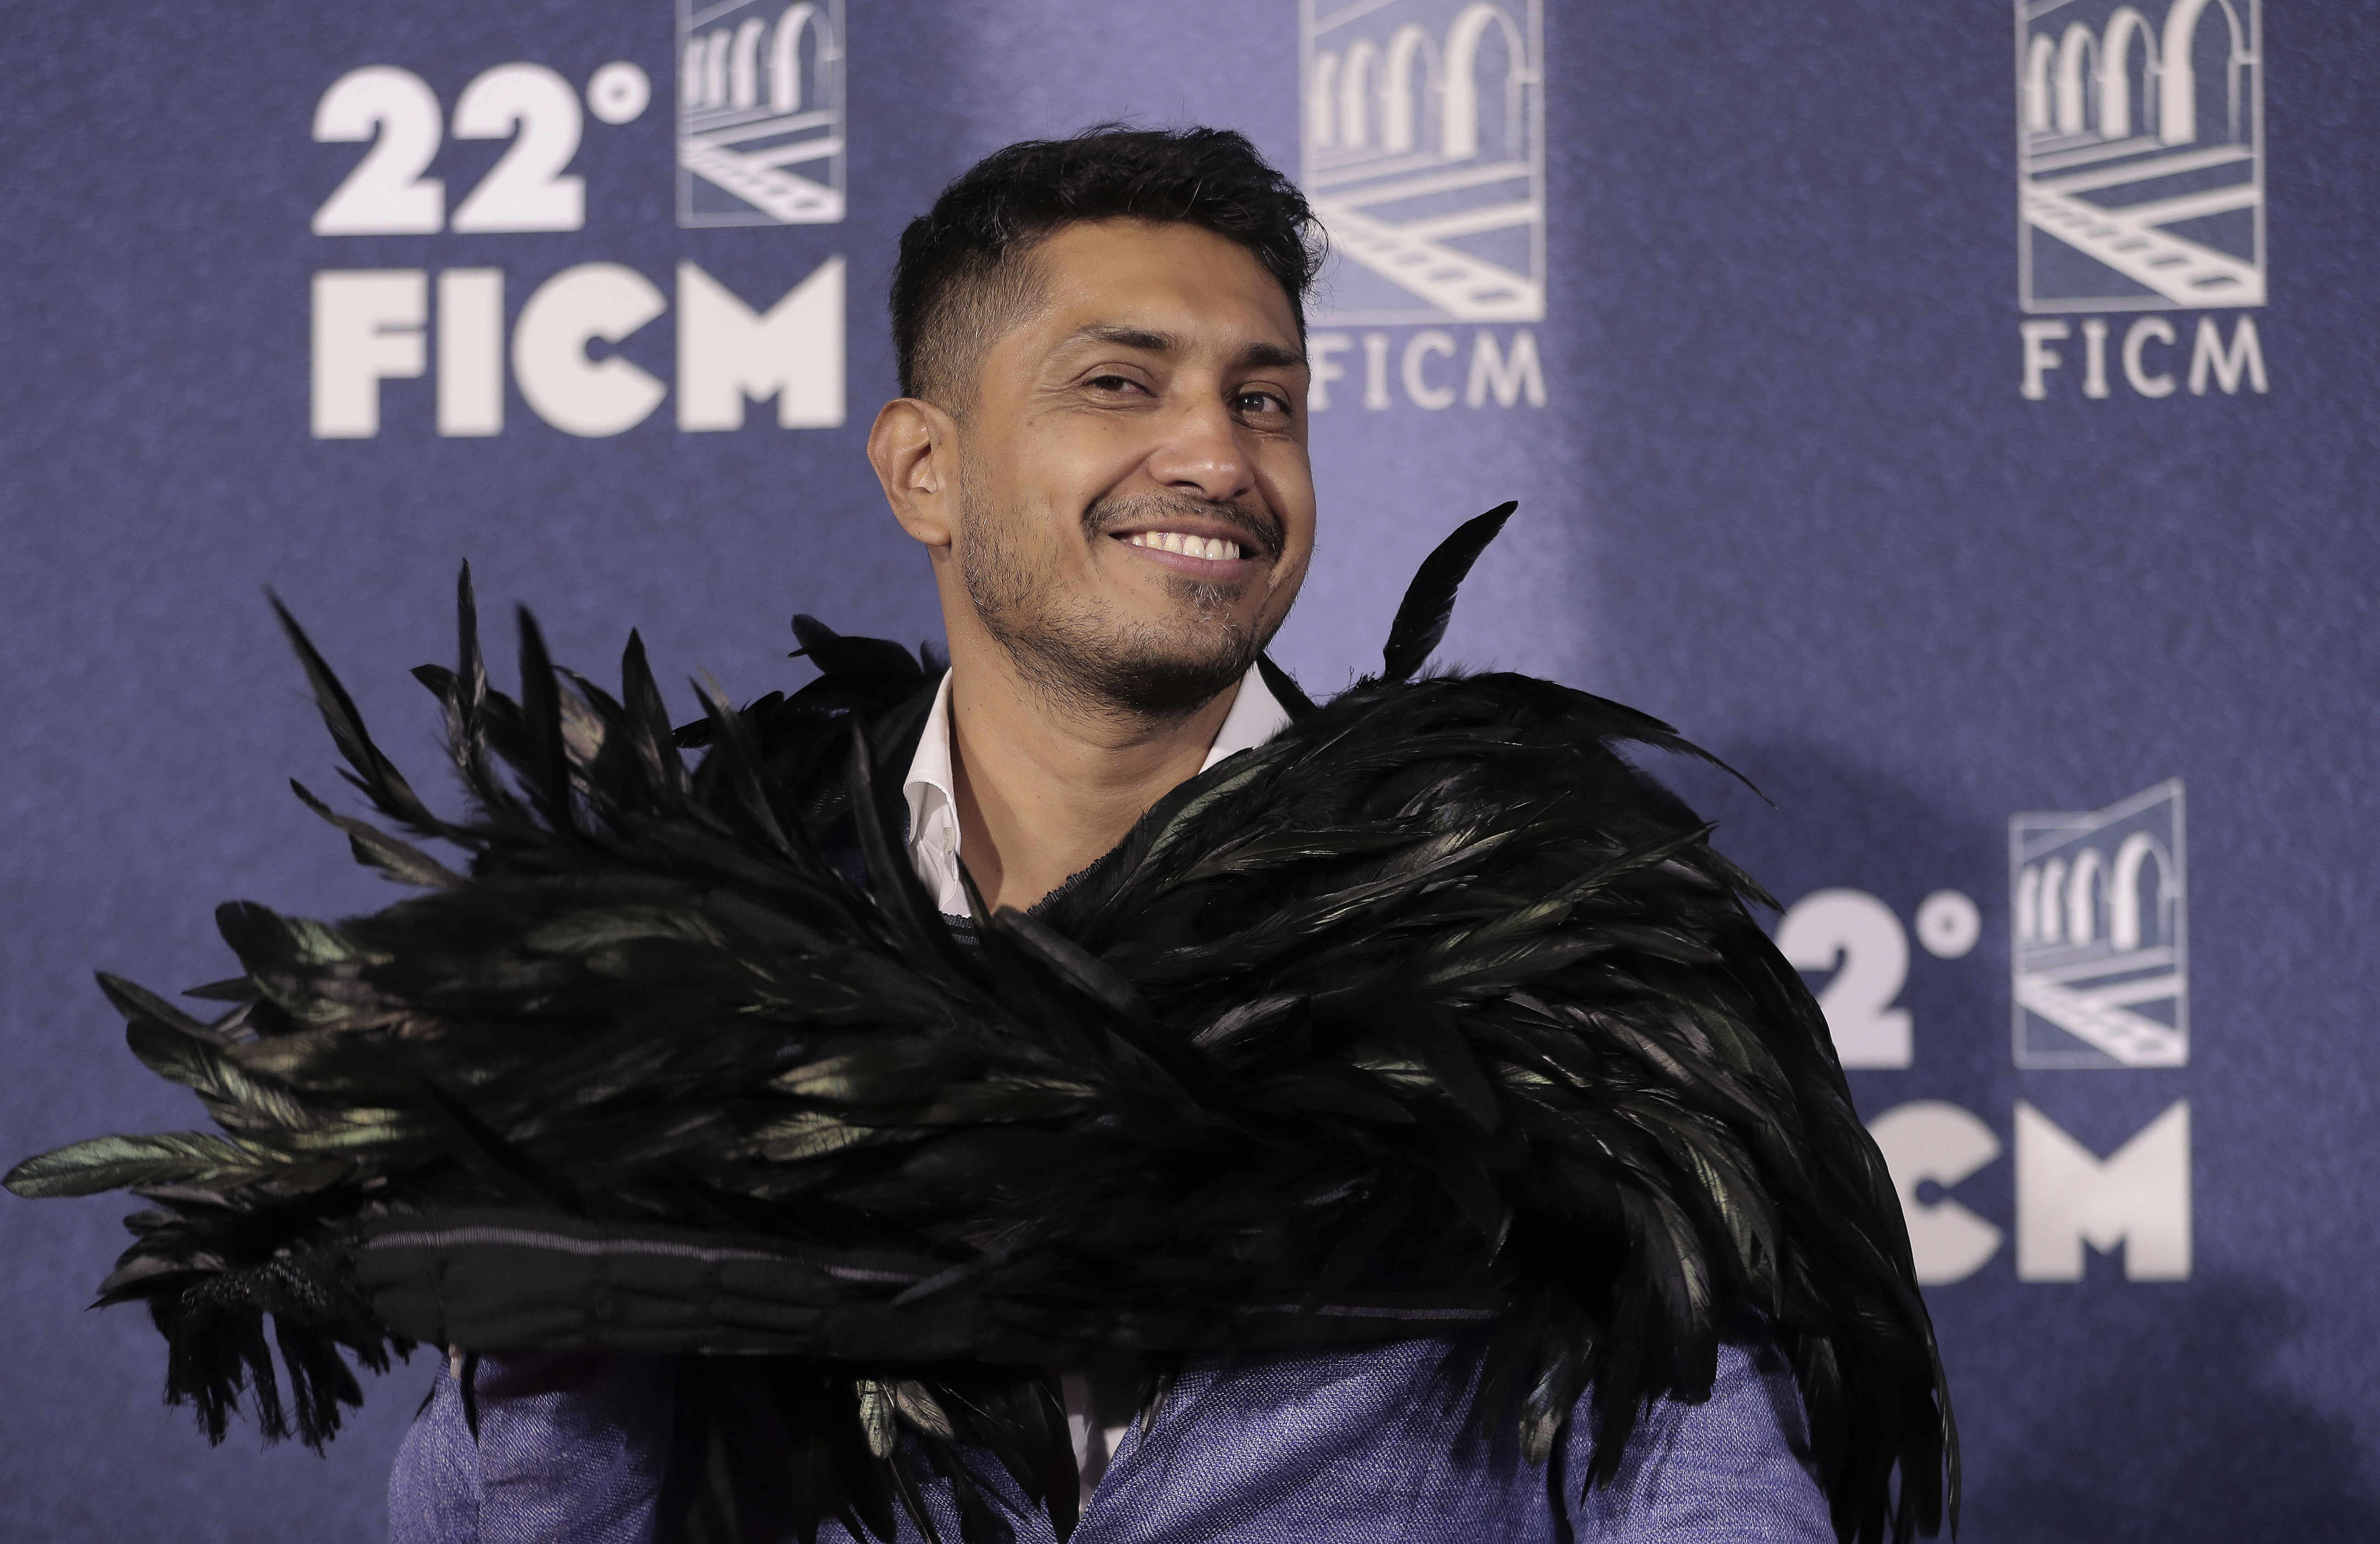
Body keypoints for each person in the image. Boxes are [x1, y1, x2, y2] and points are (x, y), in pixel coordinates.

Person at [7, 129, 1950, 1544]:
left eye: (1263, 397)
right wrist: (561, 1269)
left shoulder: (1541, 921)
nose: (1217, 452)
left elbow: (1705, 1480)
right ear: (923, 468)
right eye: (1122, 382)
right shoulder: (673, 955)